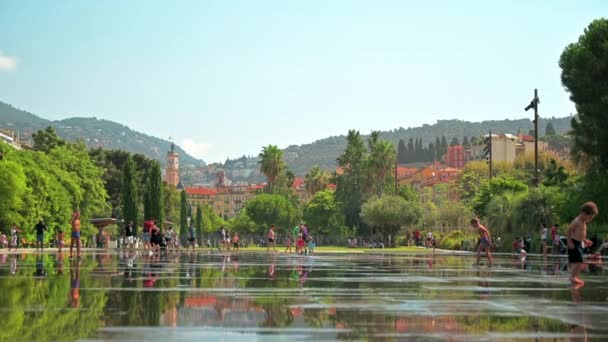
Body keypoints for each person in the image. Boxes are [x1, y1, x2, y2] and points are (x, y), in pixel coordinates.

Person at [566, 201, 598, 285]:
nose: (590, 220)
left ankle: (574, 276)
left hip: (578, 243)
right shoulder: (577, 221)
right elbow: (569, 231)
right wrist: (569, 241)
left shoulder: (583, 222)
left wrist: (585, 240)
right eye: (590, 217)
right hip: (574, 243)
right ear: (584, 213)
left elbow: (580, 234)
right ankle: (573, 277)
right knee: (578, 260)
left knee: (576, 261)